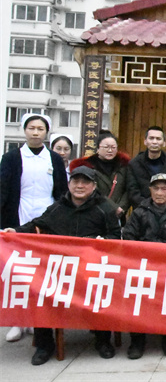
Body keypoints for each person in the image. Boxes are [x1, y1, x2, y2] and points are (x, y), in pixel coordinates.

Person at [2, 166, 120, 364]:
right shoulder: (57, 208)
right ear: (69, 184)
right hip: (60, 271)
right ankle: (44, 345)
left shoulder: (105, 208)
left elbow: (116, 237)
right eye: (76, 181)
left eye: (85, 182)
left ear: (94, 186)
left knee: (102, 290)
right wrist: (15, 231)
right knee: (40, 291)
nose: (80, 186)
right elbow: (36, 225)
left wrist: (104, 241)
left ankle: (102, 341)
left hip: (90, 270)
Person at [0, 113, 67, 343]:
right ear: (24, 130)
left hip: (47, 216)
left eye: (40, 128)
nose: (36, 132)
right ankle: (18, 321)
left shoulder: (54, 159)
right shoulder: (11, 157)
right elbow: (3, 189)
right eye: (32, 128)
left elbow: (62, 191)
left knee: (43, 269)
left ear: (47, 132)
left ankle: (40, 318)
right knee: (18, 269)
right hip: (18, 214)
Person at [121, 173, 166, 359]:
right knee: (137, 299)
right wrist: (148, 254)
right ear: (150, 190)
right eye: (156, 188)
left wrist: (163, 255)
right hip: (143, 266)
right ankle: (137, 340)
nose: (160, 193)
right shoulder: (138, 212)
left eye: (164, 188)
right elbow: (129, 238)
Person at [69, 130, 131, 222]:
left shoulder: (124, 166)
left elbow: (129, 188)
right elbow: (93, 191)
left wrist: (122, 208)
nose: (110, 150)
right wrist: (114, 208)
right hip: (94, 213)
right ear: (98, 148)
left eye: (113, 147)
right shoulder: (87, 166)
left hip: (118, 215)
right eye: (106, 147)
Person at [126, 126, 166, 209]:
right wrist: (149, 208)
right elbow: (133, 192)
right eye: (151, 138)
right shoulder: (134, 164)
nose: (154, 142)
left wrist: (165, 207)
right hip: (142, 211)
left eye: (158, 139)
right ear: (145, 141)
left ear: (164, 143)